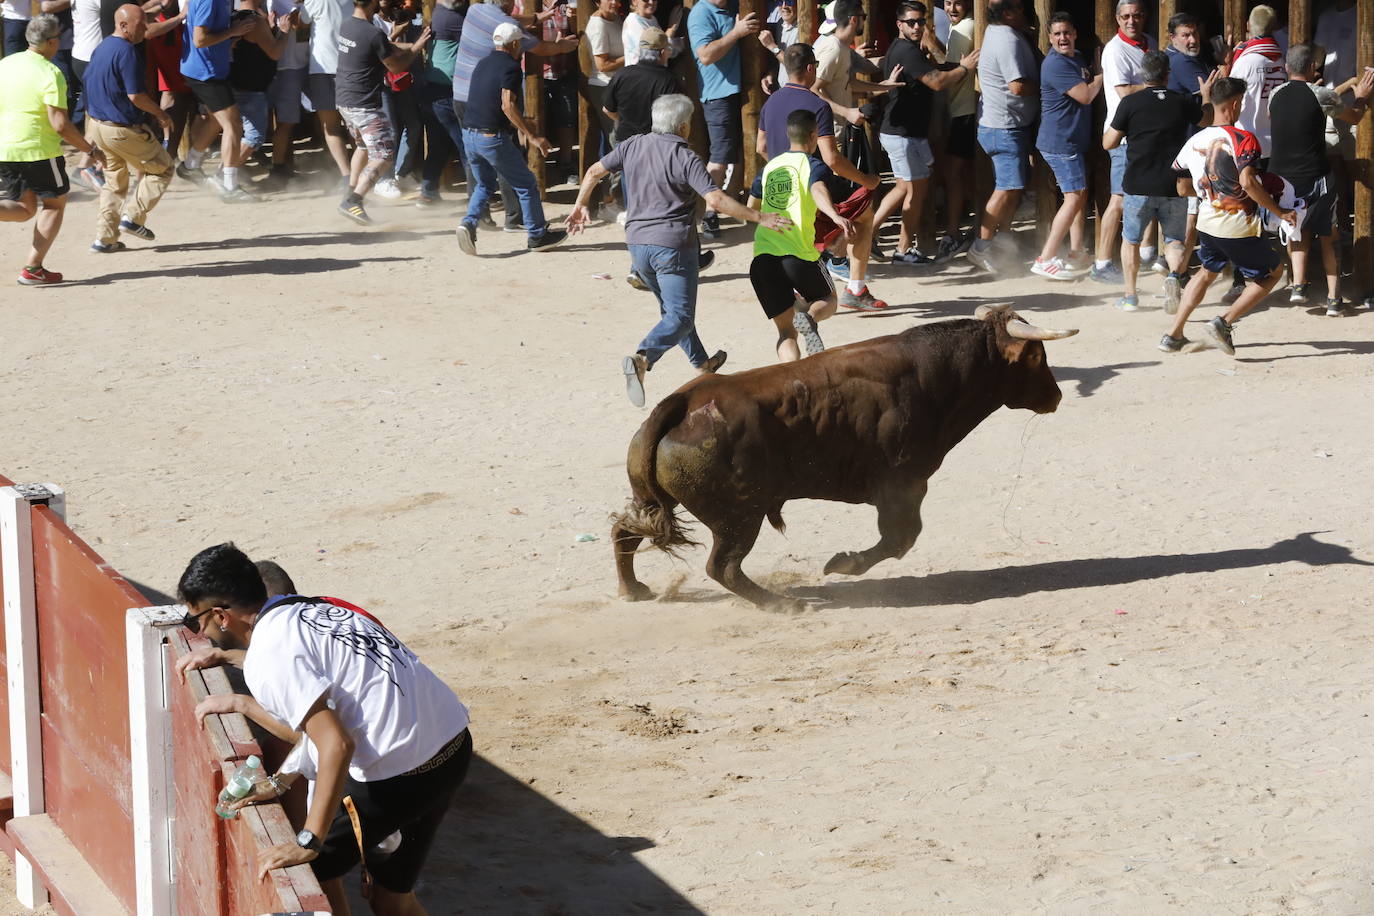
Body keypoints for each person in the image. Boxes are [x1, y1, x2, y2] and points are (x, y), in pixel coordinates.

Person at [173, 542, 472, 916]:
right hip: (452, 747)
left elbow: (335, 743)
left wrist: (309, 840)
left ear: (220, 615)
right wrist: (282, 779)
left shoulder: (270, 659)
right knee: (391, 900)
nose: (199, 632)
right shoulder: (315, 609)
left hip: (399, 776)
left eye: (194, 622)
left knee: (297, 881)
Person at [567, 94, 789, 407]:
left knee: (672, 312)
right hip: (672, 246)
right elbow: (715, 200)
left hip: (637, 246)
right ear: (683, 126)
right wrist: (760, 216)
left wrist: (579, 205)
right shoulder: (685, 156)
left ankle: (702, 365)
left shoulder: (632, 144)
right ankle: (642, 357)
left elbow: (592, 172)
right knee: (681, 316)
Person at [1160, 76, 1293, 356]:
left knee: (1207, 272)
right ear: (1233, 105)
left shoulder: (1194, 140)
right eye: (1242, 103)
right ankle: (1224, 322)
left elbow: (1182, 186)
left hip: (1207, 222)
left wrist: (1209, 194)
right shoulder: (1243, 139)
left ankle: (1174, 335)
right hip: (1237, 225)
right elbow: (1247, 183)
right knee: (1273, 272)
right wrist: (1279, 211)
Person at [757, 43, 886, 311]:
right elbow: (832, 159)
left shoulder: (770, 102)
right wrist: (866, 180)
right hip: (815, 183)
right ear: (811, 68)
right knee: (864, 215)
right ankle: (855, 288)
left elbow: (761, 147)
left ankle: (820, 268)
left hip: (782, 187)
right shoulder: (817, 105)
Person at [451, 0, 577, 232]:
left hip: (462, 96)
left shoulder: (475, 10)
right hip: (490, 104)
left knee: (478, 170)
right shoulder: (509, 62)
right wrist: (562, 47)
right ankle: (520, 221)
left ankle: (475, 219)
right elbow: (540, 49)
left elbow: (512, 23)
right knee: (514, 163)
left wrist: (538, 18)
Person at [1268, 43, 1374, 316]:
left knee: (1297, 228)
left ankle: (1299, 286)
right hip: (1314, 175)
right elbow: (1355, 116)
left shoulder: (1275, 94)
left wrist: (1337, 89)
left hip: (1281, 177)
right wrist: (1360, 95)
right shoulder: (1320, 95)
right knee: (1330, 235)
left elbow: (1316, 102)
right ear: (1313, 68)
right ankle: (1334, 300)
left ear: (1287, 67)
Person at [1104, 50, 1213, 312]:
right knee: (1174, 239)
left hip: (1138, 183)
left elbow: (1108, 142)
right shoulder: (1182, 101)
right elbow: (1207, 120)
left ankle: (1130, 297)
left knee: (1131, 240)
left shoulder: (1130, 103)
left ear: (1143, 74)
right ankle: (1174, 277)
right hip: (1173, 184)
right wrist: (1206, 96)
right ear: (1167, 74)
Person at [0, 14, 103, 286]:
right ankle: (33, 269)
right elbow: (60, 124)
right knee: (55, 203)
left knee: (24, 208)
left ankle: (33, 269)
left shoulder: (5, 64)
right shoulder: (51, 72)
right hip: (39, 150)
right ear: (52, 41)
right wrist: (89, 149)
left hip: (5, 148)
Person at [871, 0, 975, 263]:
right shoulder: (907, 51)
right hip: (902, 134)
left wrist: (951, 66)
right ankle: (903, 251)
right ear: (899, 24)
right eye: (911, 22)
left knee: (904, 188)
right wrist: (965, 69)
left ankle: (867, 234)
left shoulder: (909, 50)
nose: (917, 27)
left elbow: (933, 72)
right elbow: (936, 82)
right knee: (915, 192)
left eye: (921, 21)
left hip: (903, 132)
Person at [752, 109, 850, 362]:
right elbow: (817, 189)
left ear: (788, 135)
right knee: (828, 298)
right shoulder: (812, 164)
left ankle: (793, 386)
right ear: (814, 135)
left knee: (786, 332)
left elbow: (751, 207)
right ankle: (809, 316)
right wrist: (834, 214)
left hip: (762, 259)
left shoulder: (769, 167)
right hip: (798, 256)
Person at [83, 3, 175, 251]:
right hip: (121, 129)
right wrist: (161, 115)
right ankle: (133, 218)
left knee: (114, 182)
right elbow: (137, 96)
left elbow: (89, 87)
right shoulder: (128, 52)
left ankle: (105, 239)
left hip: (99, 126)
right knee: (163, 169)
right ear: (123, 25)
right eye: (141, 24)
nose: (145, 29)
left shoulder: (102, 48)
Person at [333, 0, 429, 224]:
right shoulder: (372, 32)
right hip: (364, 103)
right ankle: (354, 201)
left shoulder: (348, 25)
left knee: (363, 146)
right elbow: (395, 65)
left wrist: (415, 43)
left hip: (345, 100)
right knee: (384, 155)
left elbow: (385, 47)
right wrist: (415, 49)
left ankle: (350, 192)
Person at [966, 0, 1036, 274]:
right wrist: (1050, 84)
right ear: (1008, 13)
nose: (1024, 13)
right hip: (1004, 127)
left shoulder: (998, 33)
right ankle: (981, 247)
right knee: (1006, 188)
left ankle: (1002, 242)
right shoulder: (1007, 40)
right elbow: (1017, 86)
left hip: (1003, 125)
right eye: (1019, 8)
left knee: (1012, 187)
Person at [1030, 11, 1098, 280]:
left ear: (1075, 34)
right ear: (1049, 38)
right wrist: (1104, 74)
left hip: (1071, 141)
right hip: (1060, 142)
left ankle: (1076, 252)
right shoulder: (1055, 64)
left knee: (1078, 195)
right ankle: (1044, 258)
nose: (1063, 38)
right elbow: (1085, 95)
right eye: (1057, 34)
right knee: (1073, 197)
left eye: (1066, 32)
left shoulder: (1076, 58)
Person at [1092, 0, 1154, 285]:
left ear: (1145, 17)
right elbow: (1124, 91)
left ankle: (1145, 254)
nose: (1132, 20)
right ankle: (1102, 263)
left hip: (1145, 134)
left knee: (1146, 196)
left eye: (1137, 15)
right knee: (1118, 199)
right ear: (1117, 19)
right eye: (1126, 16)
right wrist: (1158, 87)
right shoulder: (1115, 50)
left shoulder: (1150, 43)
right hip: (1123, 136)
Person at [686, 0, 756, 238]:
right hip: (718, 95)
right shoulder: (701, 13)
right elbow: (705, 55)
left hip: (740, 92)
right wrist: (736, 33)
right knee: (719, 158)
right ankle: (709, 214)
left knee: (735, 155)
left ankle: (728, 205)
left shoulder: (733, 7)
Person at [176, 0, 259, 200]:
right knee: (234, 124)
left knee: (216, 120)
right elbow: (200, 39)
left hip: (210, 69)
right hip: (205, 73)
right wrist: (233, 32)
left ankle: (190, 165)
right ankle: (229, 186)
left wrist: (232, 33)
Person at [1165, 11, 1211, 266]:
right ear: (1173, 38)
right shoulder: (1181, 63)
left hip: (1190, 144)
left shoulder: (1188, 58)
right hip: (1185, 145)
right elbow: (1215, 92)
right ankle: (1175, 264)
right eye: (1186, 35)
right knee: (1191, 201)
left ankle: (1175, 264)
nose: (1193, 39)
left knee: (1193, 203)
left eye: (1194, 33)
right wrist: (1225, 66)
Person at [933, 0, 974, 259]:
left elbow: (949, 73)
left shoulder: (962, 30)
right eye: (948, 2)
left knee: (953, 174)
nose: (952, 8)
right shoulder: (964, 26)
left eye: (958, 2)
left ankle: (952, 233)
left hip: (962, 112)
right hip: (967, 110)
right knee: (964, 174)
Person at [229, 0, 290, 170]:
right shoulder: (255, 20)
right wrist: (284, 32)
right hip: (251, 89)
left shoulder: (234, 17)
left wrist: (269, 30)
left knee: (234, 134)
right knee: (253, 137)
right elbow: (275, 52)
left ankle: (225, 175)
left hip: (235, 83)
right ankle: (224, 175)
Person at [262, 0, 309, 184]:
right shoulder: (275, 2)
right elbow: (296, 24)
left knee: (294, 121)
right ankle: (279, 168)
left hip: (307, 63)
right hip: (286, 66)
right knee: (286, 122)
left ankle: (285, 167)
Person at [1228, 4, 1284, 159]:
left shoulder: (1245, 61)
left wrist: (1226, 68)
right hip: (1275, 141)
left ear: (1247, 25)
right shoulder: (1281, 59)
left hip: (1248, 141)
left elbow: (1228, 97)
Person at [756, 0, 794, 92]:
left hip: (797, 91)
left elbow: (796, 65)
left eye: (789, 1)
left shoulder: (804, 29)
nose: (784, 6)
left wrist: (772, 46)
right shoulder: (780, 24)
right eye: (781, 2)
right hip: (782, 89)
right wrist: (771, 74)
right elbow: (780, 61)